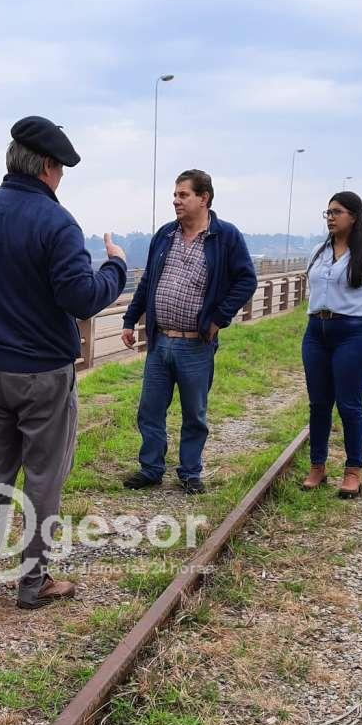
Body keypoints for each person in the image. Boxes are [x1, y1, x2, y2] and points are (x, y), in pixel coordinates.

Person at [0, 116, 127, 609]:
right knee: (43, 477)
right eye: (62, 169)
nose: (61, 178)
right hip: (42, 372)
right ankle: (34, 582)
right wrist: (115, 267)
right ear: (48, 167)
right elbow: (81, 297)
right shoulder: (57, 222)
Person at [120, 170, 257, 494]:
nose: (176, 201)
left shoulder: (225, 236)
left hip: (196, 345)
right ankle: (151, 469)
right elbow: (148, 282)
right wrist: (129, 320)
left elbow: (246, 280)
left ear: (203, 198)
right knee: (150, 410)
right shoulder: (165, 235)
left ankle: (190, 472)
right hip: (160, 341)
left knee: (194, 413)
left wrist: (219, 318)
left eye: (183, 195)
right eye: (175, 195)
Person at [300, 191, 362, 497]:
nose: (330, 217)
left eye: (337, 212)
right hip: (317, 331)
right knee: (318, 403)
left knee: (349, 403)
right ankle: (317, 466)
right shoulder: (319, 251)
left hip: (353, 331)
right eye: (327, 212)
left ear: (354, 216)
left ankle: (354, 470)